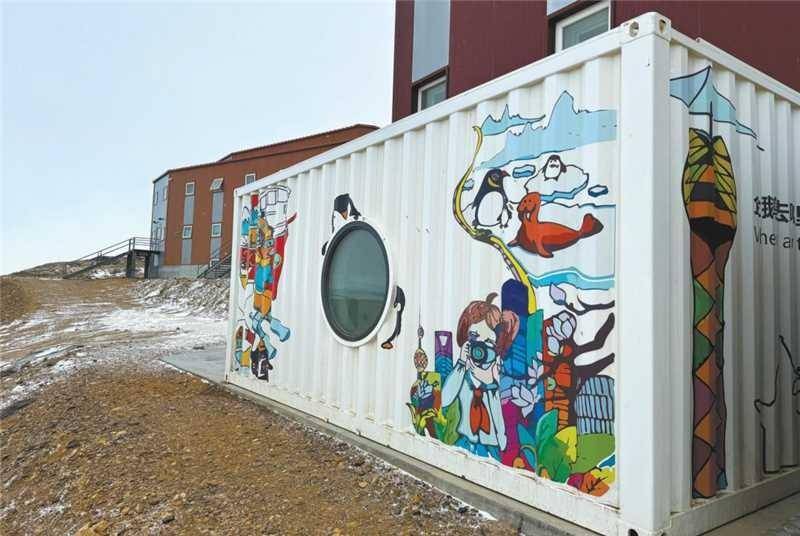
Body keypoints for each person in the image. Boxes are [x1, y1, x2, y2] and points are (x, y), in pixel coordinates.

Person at [441, 293, 518, 460]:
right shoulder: (463, 377)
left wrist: (494, 382)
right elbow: (445, 400)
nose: (480, 348)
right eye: (474, 337)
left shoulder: (497, 384)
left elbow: (500, 419)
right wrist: (461, 364)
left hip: (492, 448)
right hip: (464, 443)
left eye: (489, 342)